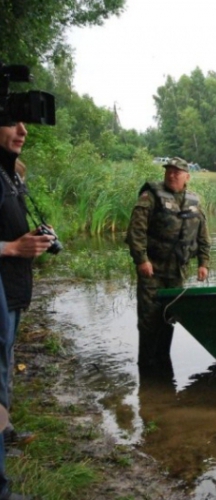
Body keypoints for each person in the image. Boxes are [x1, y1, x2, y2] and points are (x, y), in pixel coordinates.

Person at [0, 121, 55, 449]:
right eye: (11, 123)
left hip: (15, 287)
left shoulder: (12, 175)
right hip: (5, 286)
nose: (24, 131)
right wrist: (12, 248)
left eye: (24, 124)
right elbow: (9, 243)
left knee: (5, 362)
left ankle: (5, 431)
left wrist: (32, 240)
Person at [125, 157, 210, 369]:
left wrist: (203, 263)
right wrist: (141, 260)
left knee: (169, 317)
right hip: (152, 269)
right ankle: (146, 365)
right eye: (169, 171)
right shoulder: (150, 196)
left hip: (177, 272)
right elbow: (136, 231)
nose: (171, 175)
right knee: (148, 319)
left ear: (187, 177)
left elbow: (203, 237)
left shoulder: (194, 202)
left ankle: (163, 362)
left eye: (177, 172)